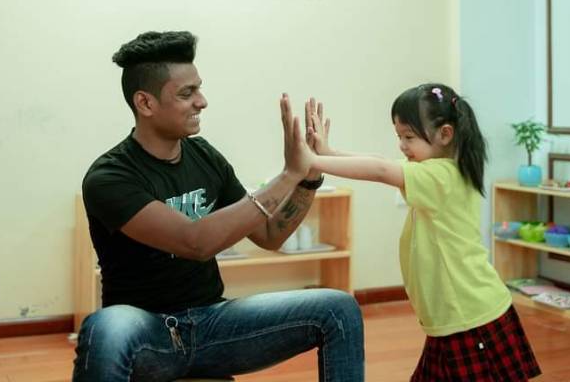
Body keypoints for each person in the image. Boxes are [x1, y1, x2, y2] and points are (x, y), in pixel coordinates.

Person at [74, 31, 364, 382]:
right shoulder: (109, 177)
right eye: (186, 93)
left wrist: (308, 178)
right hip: (147, 334)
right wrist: (289, 174)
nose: (202, 102)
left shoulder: (205, 156)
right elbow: (195, 242)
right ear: (145, 103)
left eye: (199, 89)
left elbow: (269, 235)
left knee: (339, 308)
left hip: (214, 326)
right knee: (105, 327)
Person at [285, 84, 541, 381]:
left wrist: (313, 161)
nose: (401, 145)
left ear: (445, 134)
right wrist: (327, 154)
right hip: (455, 317)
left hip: (469, 317)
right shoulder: (439, 172)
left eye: (409, 137)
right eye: (399, 136)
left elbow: (380, 170)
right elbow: (381, 163)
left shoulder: (441, 176)